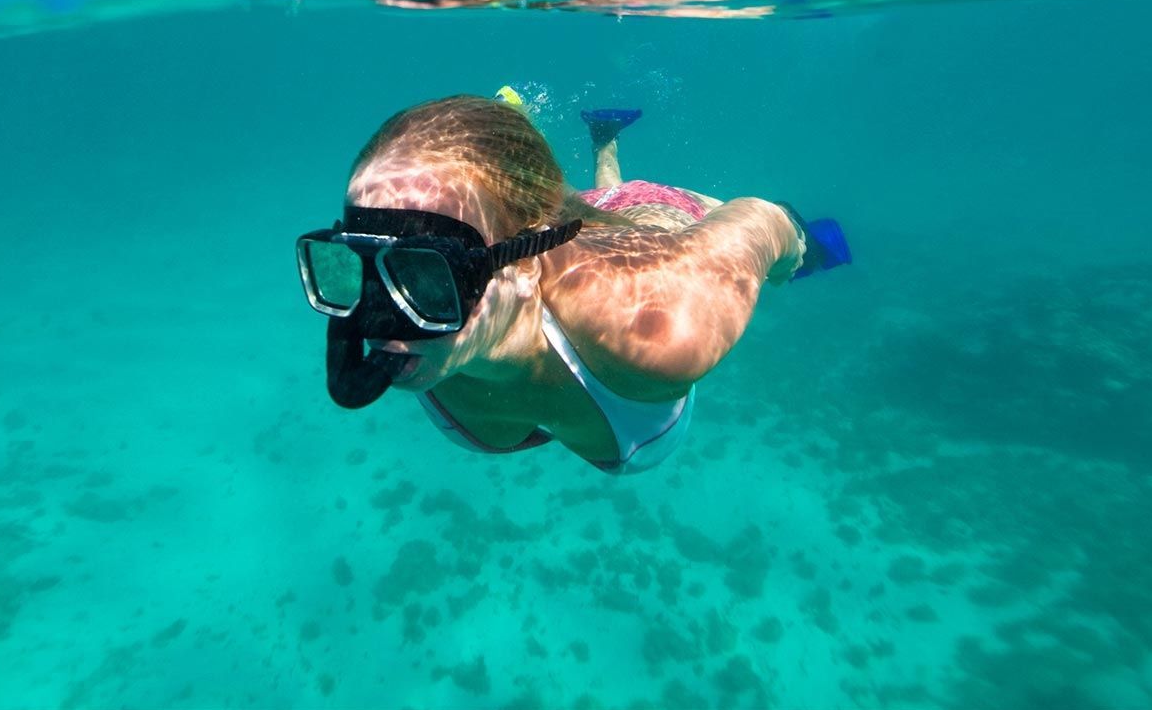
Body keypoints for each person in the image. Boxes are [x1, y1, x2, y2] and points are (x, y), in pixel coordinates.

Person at [296, 93, 848, 475]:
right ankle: (601, 136)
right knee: (599, 198)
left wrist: (792, 250)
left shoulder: (658, 330)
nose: (375, 320)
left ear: (525, 263)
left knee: (629, 201)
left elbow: (756, 217)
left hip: (661, 224)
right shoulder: (430, 335)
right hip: (565, 226)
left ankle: (813, 252)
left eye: (426, 274)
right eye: (358, 266)